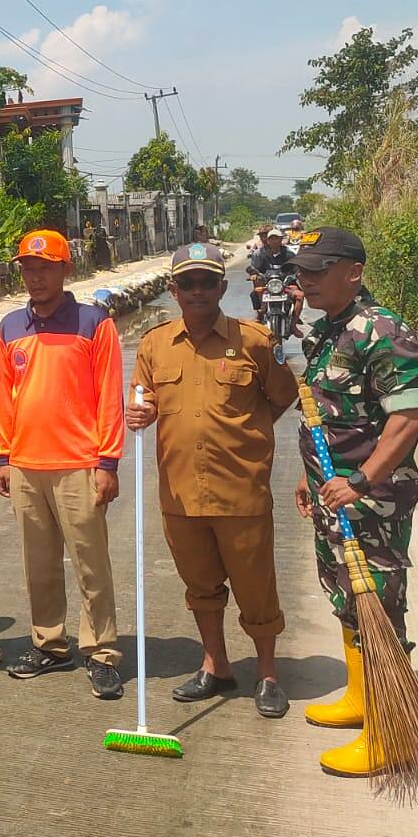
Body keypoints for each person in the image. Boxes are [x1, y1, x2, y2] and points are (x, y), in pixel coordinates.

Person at [128, 243, 298, 718]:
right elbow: (144, 399)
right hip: (180, 493)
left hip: (240, 490)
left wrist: (250, 433)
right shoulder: (154, 344)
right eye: (188, 282)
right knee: (200, 586)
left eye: (207, 282)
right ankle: (215, 664)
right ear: (173, 289)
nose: (197, 290)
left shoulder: (255, 341)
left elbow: (283, 395)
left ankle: (267, 673)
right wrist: (140, 413)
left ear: (223, 287)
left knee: (256, 587)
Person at [292, 227, 418, 777]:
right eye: (301, 271)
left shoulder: (382, 331)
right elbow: (327, 414)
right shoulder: (329, 329)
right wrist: (309, 477)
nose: (305, 280)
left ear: (353, 271)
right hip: (334, 490)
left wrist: (363, 481)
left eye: (317, 270)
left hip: (374, 500)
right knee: (346, 594)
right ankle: (360, 696)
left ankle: (391, 732)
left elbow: (407, 419)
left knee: (379, 600)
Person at [0, 230, 126, 699]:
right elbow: (4, 398)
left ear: (65, 270)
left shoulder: (94, 323)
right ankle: (49, 643)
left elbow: (110, 396)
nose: (35, 277)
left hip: (80, 464)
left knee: (91, 565)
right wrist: (4, 456)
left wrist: (108, 462)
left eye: (45, 268)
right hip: (26, 465)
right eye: (28, 268)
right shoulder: (10, 326)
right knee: (39, 564)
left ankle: (102, 651)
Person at [246, 227, 303, 324]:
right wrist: (254, 275)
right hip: (267, 286)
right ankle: (261, 311)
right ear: (268, 241)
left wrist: (297, 274)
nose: (274, 241)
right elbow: (255, 269)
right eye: (271, 239)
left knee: (300, 296)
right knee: (255, 292)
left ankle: (294, 322)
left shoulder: (289, 254)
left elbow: (296, 269)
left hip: (285, 286)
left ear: (281, 240)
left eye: (277, 238)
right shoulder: (260, 254)